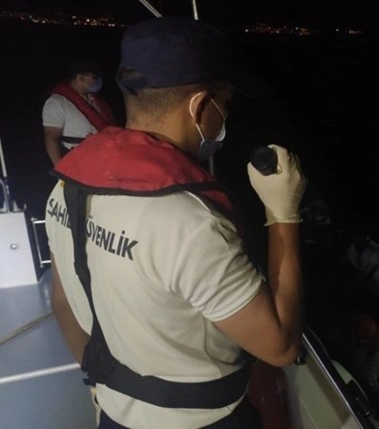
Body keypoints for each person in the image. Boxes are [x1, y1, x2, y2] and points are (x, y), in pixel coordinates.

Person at [45, 16, 305, 429]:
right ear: (200, 106)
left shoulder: (66, 189)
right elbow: (281, 347)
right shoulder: (190, 223)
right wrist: (283, 213)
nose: (225, 117)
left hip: (113, 412)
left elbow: (62, 306)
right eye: (226, 104)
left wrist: (105, 387)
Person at [42, 57, 117, 165]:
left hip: (105, 156)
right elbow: (51, 138)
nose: (98, 81)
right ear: (81, 78)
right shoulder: (57, 102)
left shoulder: (94, 99)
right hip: (78, 160)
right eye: (94, 77)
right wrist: (60, 168)